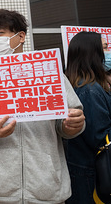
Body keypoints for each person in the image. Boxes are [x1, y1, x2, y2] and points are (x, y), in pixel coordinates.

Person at [0, 9, 85, 203]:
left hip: (46, 187)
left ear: (21, 36)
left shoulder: (48, 72)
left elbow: (68, 122)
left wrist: (73, 125)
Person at [64, 31, 111, 203]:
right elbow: (99, 137)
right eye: (105, 48)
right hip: (89, 172)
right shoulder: (89, 90)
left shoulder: (84, 85)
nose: (108, 52)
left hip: (84, 169)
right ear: (93, 53)